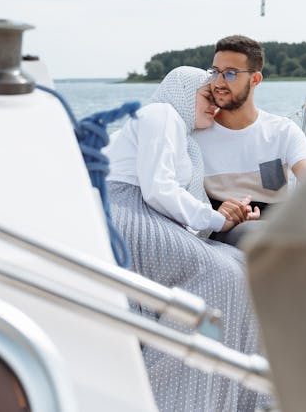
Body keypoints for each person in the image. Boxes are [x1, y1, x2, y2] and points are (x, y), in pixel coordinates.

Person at [192, 35, 306, 402]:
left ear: (255, 79)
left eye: (230, 73)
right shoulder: (197, 136)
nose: (218, 81)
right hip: (232, 230)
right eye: (215, 71)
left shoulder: (280, 131)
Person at [104, 65, 264, 412]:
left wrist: (225, 217)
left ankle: (239, 398)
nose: (215, 106)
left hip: (148, 214)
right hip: (127, 212)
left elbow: (178, 204)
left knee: (240, 265)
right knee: (221, 275)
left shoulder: (184, 137)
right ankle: (173, 400)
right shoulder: (161, 114)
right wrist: (215, 218)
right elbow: (158, 188)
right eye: (208, 96)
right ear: (181, 91)